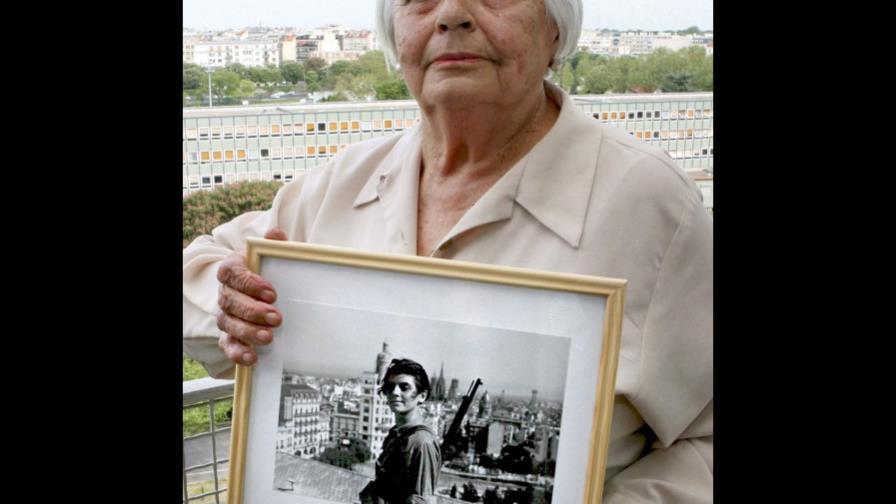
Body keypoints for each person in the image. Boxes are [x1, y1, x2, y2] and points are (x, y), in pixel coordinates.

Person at [183, 1, 713, 502]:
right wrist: (233, 309)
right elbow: (197, 270)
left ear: (556, 27)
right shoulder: (340, 184)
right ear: (396, 35)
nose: (453, 15)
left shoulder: (654, 205)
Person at [360, 358, 441, 504]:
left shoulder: (421, 442)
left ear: (422, 396)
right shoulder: (397, 433)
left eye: (404, 387)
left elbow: (423, 500)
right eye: (390, 387)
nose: (395, 392)